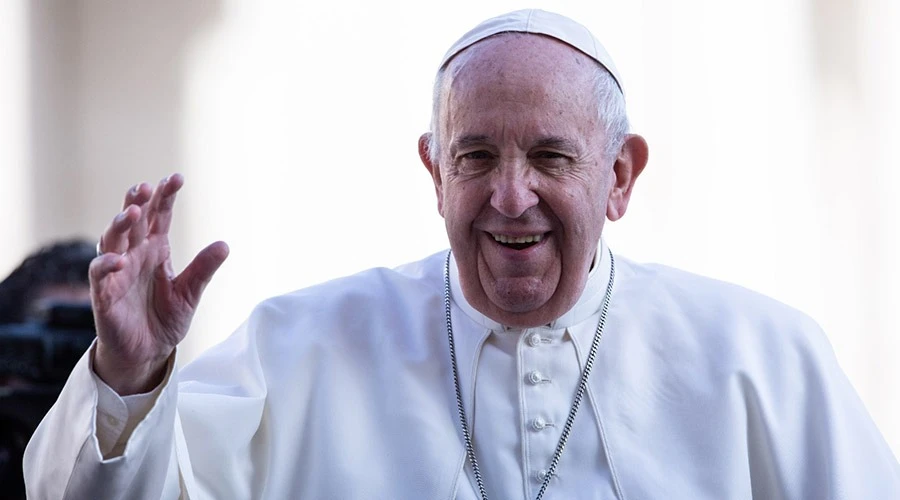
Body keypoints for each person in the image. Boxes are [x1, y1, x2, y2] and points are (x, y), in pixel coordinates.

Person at [23, 9, 899, 499]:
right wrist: (129, 380)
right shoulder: (302, 347)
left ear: (621, 176)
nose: (509, 197)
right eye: (475, 157)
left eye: (551, 158)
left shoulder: (764, 360)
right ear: (434, 170)